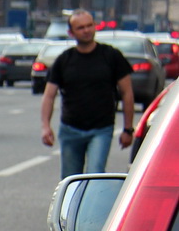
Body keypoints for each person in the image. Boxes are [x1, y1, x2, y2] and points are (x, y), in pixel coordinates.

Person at [40, 10, 135, 178]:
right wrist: (45, 126)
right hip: (70, 129)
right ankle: (72, 205)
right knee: (70, 181)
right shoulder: (64, 60)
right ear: (71, 33)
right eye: (81, 27)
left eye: (90, 25)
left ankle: (91, 205)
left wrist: (128, 129)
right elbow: (49, 95)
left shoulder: (111, 56)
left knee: (95, 176)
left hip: (101, 129)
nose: (86, 30)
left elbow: (127, 93)